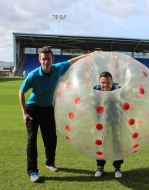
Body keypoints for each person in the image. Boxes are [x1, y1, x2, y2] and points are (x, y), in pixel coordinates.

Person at [19, 46, 97, 182]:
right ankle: (32, 172)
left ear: (52, 59)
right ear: (39, 60)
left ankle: (50, 163)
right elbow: (21, 92)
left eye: (48, 59)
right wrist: (24, 113)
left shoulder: (58, 68)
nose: (46, 62)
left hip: (48, 109)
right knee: (32, 141)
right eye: (43, 59)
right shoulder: (33, 75)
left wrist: (92, 54)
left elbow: (73, 61)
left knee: (51, 139)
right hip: (33, 109)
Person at [93, 71, 124, 178]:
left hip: (115, 120)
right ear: (99, 82)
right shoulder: (95, 89)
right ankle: (100, 167)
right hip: (101, 121)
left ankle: (117, 168)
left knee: (116, 142)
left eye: (108, 82)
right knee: (101, 143)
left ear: (112, 82)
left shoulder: (118, 89)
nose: (105, 85)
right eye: (103, 83)